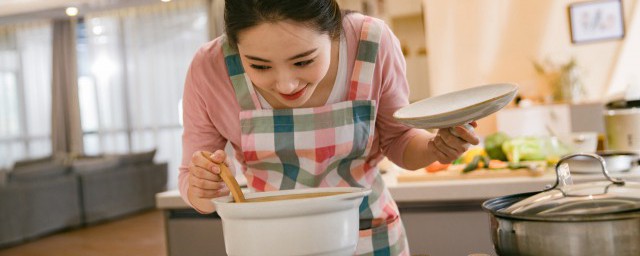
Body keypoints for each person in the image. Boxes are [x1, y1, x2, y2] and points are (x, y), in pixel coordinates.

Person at [179, 0, 479, 255]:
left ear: (335, 32)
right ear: (232, 43)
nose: (286, 84)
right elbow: (193, 179)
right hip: (271, 243)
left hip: (366, 237)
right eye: (259, 66)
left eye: (303, 61)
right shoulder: (209, 68)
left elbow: (399, 141)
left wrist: (434, 148)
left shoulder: (370, 43)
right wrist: (204, 188)